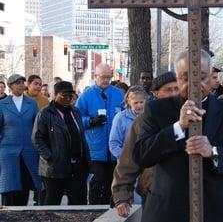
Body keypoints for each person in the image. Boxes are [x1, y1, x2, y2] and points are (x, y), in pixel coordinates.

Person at [133, 50, 223, 222]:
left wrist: (213, 152)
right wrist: (177, 128)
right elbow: (141, 155)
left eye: (202, 76)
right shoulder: (157, 110)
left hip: (218, 210)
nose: (194, 84)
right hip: (170, 210)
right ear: (177, 77)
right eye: (186, 77)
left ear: (212, 75)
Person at [112, 71, 179, 218]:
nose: (174, 93)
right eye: (168, 90)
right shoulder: (144, 121)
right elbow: (128, 160)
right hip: (154, 192)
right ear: (156, 93)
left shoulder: (192, 116)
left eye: (177, 88)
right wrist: (122, 195)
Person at [32, 81, 91, 205]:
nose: (68, 99)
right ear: (55, 95)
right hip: (54, 168)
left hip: (76, 165)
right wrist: (50, 157)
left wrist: (85, 158)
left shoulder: (75, 111)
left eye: (70, 96)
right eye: (64, 96)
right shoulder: (46, 113)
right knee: (52, 202)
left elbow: (80, 135)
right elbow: (37, 138)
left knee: (78, 202)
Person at [76, 63, 125, 205]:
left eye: (108, 77)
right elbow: (77, 118)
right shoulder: (86, 96)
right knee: (97, 182)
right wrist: (91, 121)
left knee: (113, 183)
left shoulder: (118, 94)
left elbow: (126, 114)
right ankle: (95, 208)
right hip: (95, 149)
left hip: (115, 149)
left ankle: (112, 211)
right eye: (103, 77)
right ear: (95, 76)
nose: (106, 80)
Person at [0, 74, 41, 206]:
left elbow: (37, 127)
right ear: (10, 86)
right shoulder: (2, 104)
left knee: (25, 183)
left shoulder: (32, 104)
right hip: (8, 152)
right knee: (9, 186)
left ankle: (22, 213)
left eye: (22, 82)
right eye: (17, 83)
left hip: (29, 150)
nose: (20, 85)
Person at [109, 86, 148, 158]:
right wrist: (126, 158)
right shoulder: (120, 117)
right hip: (127, 164)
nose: (139, 105)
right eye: (135, 103)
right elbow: (113, 144)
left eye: (141, 102)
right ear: (129, 101)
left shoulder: (149, 116)